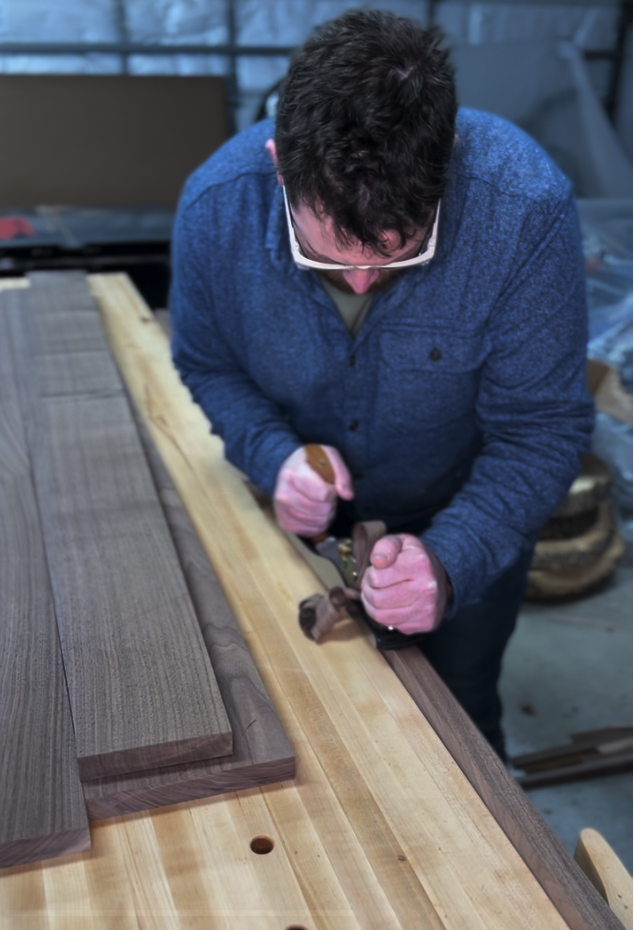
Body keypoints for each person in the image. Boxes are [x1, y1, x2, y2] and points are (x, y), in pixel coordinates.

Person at [169, 10, 594, 759]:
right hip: (296, 526)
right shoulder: (213, 210)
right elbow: (208, 365)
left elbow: (542, 428)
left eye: (401, 252)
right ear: (277, 163)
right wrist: (273, 455)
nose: (363, 278)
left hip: (467, 508)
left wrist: (453, 557)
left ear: (450, 157)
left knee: (461, 734)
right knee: (313, 733)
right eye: (326, 252)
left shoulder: (524, 209)